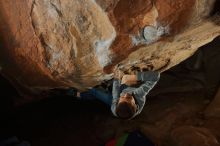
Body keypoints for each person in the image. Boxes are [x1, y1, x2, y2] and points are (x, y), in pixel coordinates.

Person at [74, 71, 160, 120]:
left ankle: (77, 94)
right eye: (129, 97)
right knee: (107, 90)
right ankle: (82, 96)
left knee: (96, 92)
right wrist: (133, 77)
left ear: (118, 102)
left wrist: (116, 78)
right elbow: (155, 76)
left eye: (122, 97)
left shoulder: (114, 108)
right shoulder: (139, 95)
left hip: (114, 100)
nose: (125, 95)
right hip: (127, 89)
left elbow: (115, 94)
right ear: (134, 103)